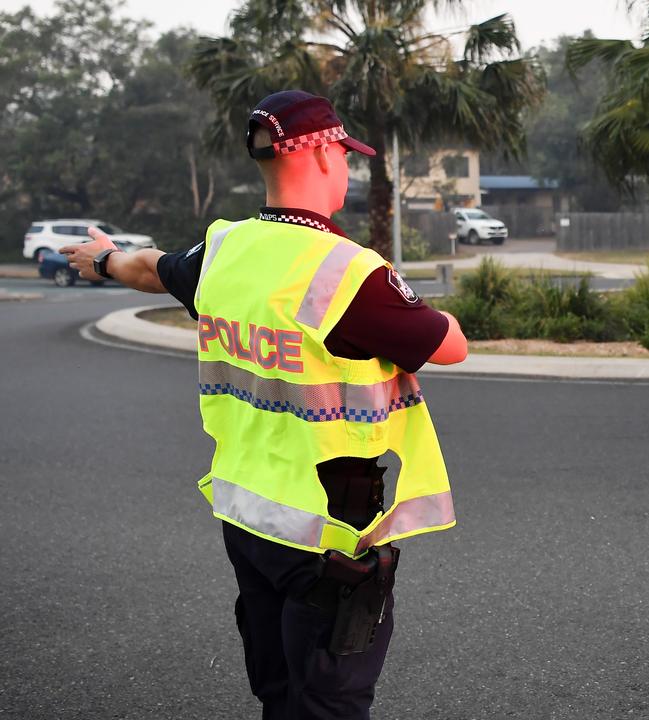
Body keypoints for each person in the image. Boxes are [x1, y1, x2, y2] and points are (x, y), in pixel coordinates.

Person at [62, 90, 467, 720]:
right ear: (326, 154)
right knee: (330, 702)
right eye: (344, 154)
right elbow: (449, 346)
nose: (347, 167)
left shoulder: (224, 251)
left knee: (279, 693)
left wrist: (105, 259)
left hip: (249, 520)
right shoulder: (348, 272)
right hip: (329, 537)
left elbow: (151, 269)